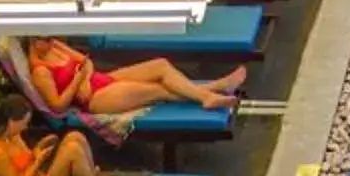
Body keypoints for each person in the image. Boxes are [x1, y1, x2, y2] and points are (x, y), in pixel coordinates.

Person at [23, 37, 245, 116]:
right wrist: (76, 81)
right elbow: (58, 106)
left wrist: (84, 75)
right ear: (33, 41)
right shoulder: (41, 72)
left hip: (100, 79)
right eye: (46, 39)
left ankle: (214, 87)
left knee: (161, 66)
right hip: (95, 99)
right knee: (158, 90)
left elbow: (86, 61)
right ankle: (209, 94)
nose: (52, 41)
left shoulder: (56, 46)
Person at [0, 96, 134, 176]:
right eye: (24, 123)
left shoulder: (14, 136)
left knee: (74, 136)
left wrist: (38, 149)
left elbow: (26, 160)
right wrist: (39, 160)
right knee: (72, 150)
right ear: (10, 121)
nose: (26, 127)